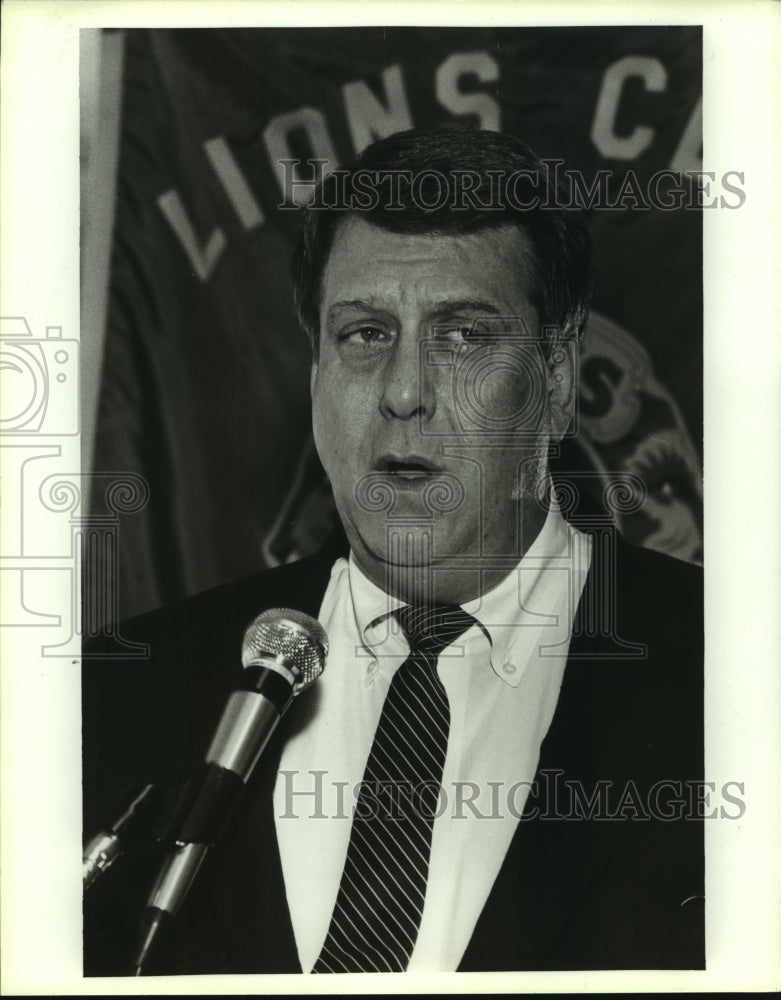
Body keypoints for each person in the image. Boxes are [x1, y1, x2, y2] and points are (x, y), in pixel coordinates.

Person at [82, 125, 704, 975]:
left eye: (462, 336)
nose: (404, 392)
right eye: (365, 334)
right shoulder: (115, 691)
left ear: (555, 383)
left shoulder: (732, 678)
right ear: (313, 375)